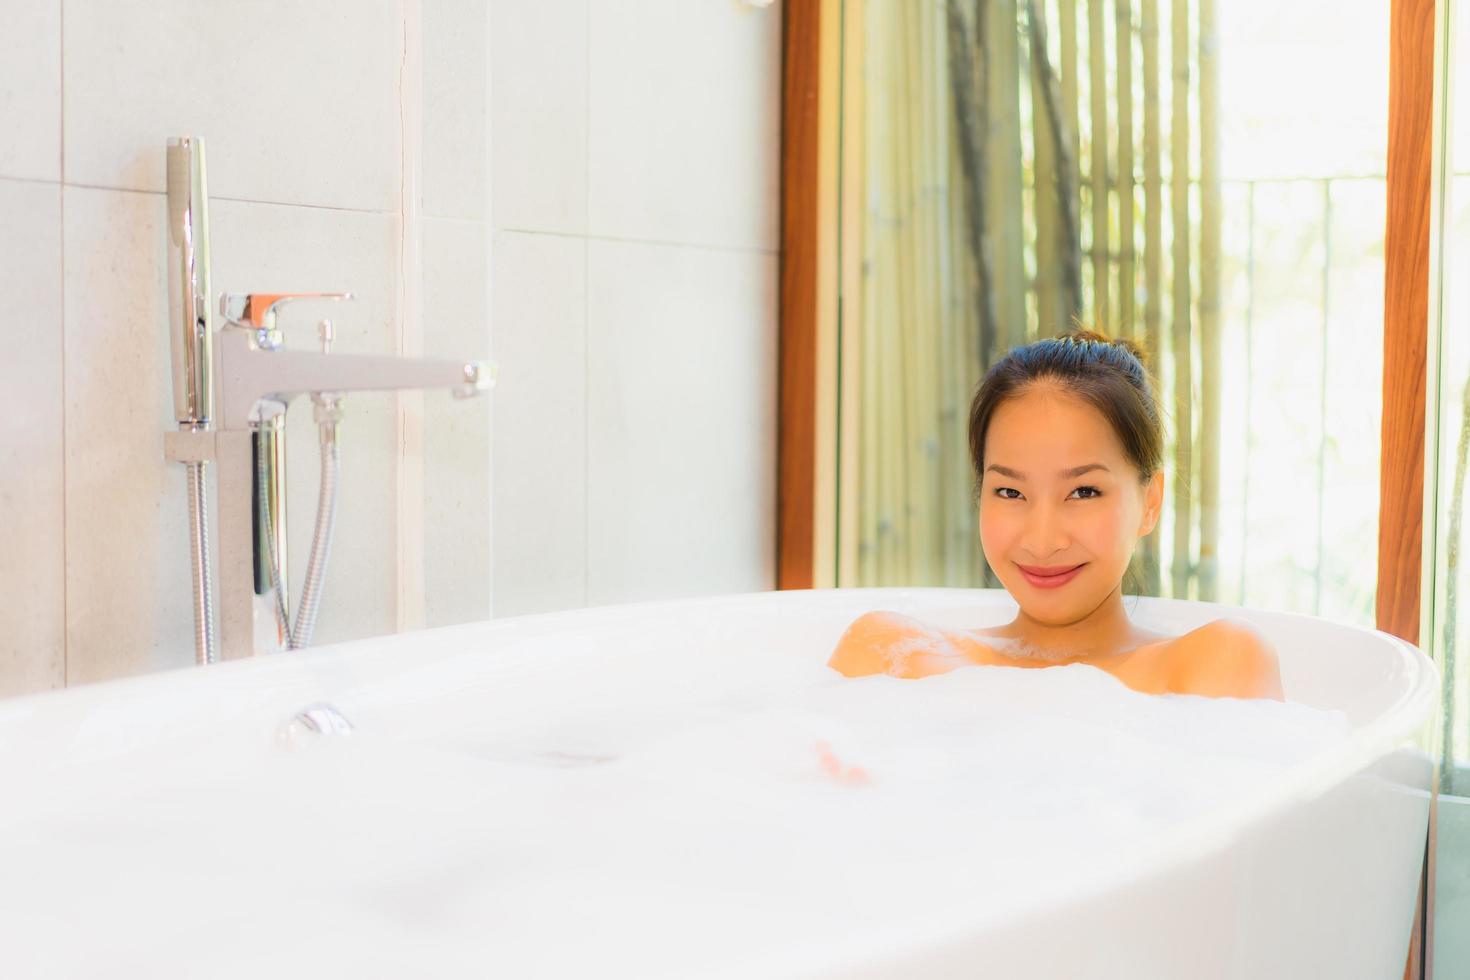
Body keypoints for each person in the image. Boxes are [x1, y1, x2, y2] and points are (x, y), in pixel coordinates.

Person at [828, 329, 1284, 700]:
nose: (1042, 541)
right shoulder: (891, 656)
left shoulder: (1214, 665)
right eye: (1010, 491)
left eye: (1083, 491)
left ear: (1150, 502)